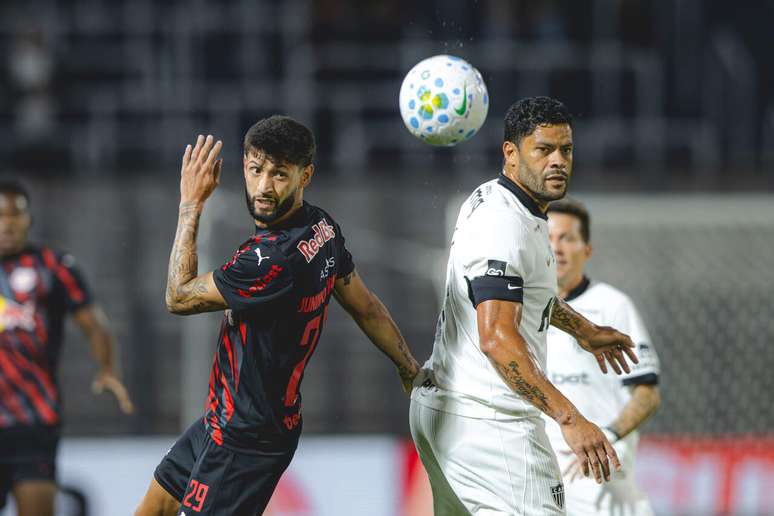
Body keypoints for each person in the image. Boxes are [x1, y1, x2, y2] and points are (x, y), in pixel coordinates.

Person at [135, 116, 420, 516]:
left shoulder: (271, 259)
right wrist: (408, 366)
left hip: (245, 439)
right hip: (225, 419)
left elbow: (178, 297)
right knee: (152, 509)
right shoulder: (321, 228)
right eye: (256, 170)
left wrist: (191, 203)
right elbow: (366, 306)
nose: (265, 186)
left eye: (279, 174)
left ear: (306, 175)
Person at [409, 96, 640, 515]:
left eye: (565, 150)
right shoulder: (504, 226)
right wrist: (570, 419)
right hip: (490, 424)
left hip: (446, 410)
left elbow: (525, 297)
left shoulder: (501, 202)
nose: (558, 162)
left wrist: (583, 330)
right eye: (544, 150)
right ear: (511, 154)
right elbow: (497, 337)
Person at [0, 180, 133, 516]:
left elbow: (95, 325)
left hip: (34, 419)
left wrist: (106, 368)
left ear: (28, 219)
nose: (6, 223)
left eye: (14, 214)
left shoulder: (54, 266)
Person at [544, 198, 661, 516]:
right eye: (548, 238)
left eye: (567, 238)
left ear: (587, 249)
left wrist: (605, 436)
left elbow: (647, 394)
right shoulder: (517, 312)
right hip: (538, 476)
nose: (556, 248)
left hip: (600, 478)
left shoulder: (613, 306)